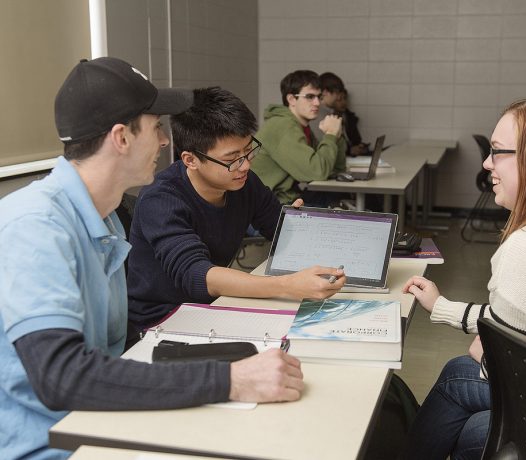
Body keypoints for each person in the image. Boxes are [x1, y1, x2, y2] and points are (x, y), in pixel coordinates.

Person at [0, 58, 306, 460]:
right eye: (156, 127)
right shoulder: (35, 227)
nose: (164, 142)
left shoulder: (103, 218)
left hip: (106, 417)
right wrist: (230, 379)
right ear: (121, 138)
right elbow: (62, 377)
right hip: (56, 443)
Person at [400, 97, 526, 460]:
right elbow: (523, 318)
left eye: (497, 151)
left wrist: (486, 351)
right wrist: (443, 307)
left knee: (469, 415)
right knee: (460, 378)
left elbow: (500, 365)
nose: (486, 163)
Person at [127, 86, 346, 334]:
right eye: (232, 158)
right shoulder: (161, 198)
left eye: (248, 150)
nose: (245, 165)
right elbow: (198, 275)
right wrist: (287, 285)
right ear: (191, 160)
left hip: (214, 306)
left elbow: (278, 227)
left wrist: (295, 226)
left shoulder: (243, 182)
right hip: (163, 319)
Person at [251, 70, 347, 205]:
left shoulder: (301, 126)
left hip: (288, 197)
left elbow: (335, 168)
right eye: (310, 96)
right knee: (338, 204)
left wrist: (337, 135)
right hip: (269, 205)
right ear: (291, 99)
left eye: (319, 97)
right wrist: (330, 135)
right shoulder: (282, 125)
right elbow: (317, 172)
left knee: (337, 197)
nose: (317, 103)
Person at [334, 88, 370, 157]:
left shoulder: (349, 117)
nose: (343, 102)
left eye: (345, 98)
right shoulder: (330, 120)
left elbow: (357, 140)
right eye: (339, 100)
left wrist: (361, 147)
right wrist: (349, 150)